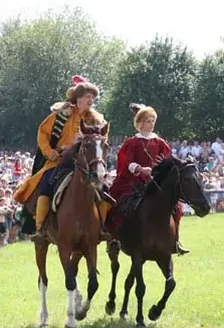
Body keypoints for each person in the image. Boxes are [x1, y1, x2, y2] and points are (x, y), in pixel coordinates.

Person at [14, 75, 111, 241]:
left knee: (106, 190)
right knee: (45, 186)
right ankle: (40, 229)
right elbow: (42, 133)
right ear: (77, 98)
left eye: (93, 97)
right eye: (87, 96)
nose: (91, 100)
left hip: (87, 166)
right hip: (59, 161)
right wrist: (49, 152)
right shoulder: (61, 115)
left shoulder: (96, 119)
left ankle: (102, 228)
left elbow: (102, 140)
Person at [109, 103, 189, 255]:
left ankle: (175, 241)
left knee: (176, 206)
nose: (151, 124)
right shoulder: (132, 142)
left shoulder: (159, 142)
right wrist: (140, 169)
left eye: (153, 121)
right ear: (139, 123)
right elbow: (128, 163)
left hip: (156, 181)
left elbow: (167, 160)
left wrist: (161, 167)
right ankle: (116, 238)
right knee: (120, 203)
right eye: (147, 121)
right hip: (135, 181)